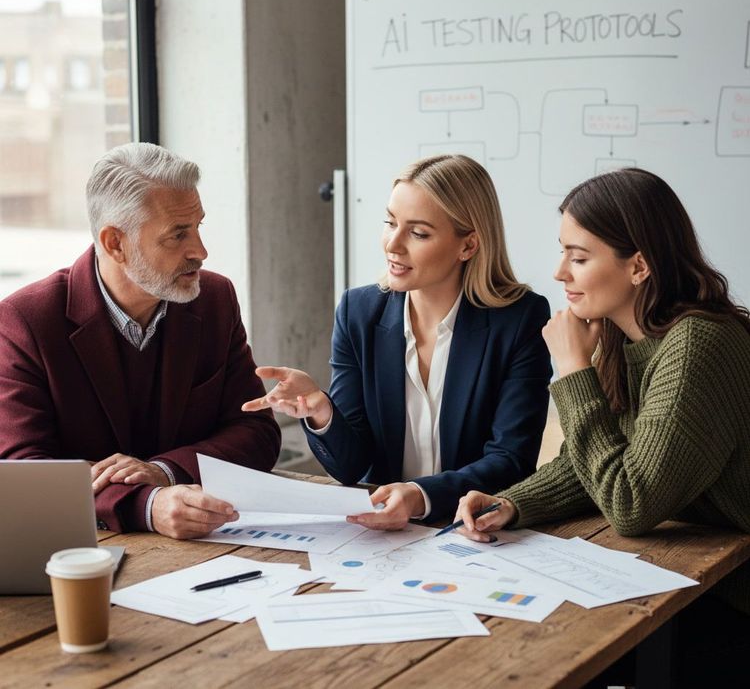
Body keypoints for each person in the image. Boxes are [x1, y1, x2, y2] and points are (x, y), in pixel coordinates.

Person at [453, 167, 750, 686]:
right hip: (690, 577)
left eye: (579, 257)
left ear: (639, 266)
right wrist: (515, 503)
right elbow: (588, 464)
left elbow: (630, 502)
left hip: (733, 596)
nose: (560, 272)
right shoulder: (622, 335)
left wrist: (572, 369)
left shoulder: (699, 344)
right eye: (563, 251)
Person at [243, 154, 551, 529]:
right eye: (390, 223)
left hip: (475, 531)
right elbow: (351, 466)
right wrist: (322, 411)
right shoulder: (358, 312)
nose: (393, 244)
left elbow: (511, 460)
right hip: (386, 535)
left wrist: (420, 496)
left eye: (418, 233)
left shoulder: (519, 320)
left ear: (468, 246)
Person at [0, 143, 280, 539]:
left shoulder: (215, 299)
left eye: (198, 226)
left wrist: (163, 472)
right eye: (178, 235)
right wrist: (146, 505)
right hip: (86, 552)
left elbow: (258, 433)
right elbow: (24, 471)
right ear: (115, 243)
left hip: (212, 545)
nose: (200, 250)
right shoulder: (26, 320)